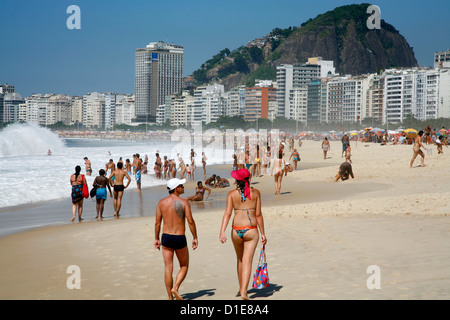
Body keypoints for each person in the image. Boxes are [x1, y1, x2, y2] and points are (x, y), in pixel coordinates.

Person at [219, 168, 267, 300]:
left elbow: (228, 213)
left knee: (240, 260)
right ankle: (244, 292)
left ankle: (242, 289)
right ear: (249, 178)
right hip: (251, 229)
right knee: (247, 261)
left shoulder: (231, 194)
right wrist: (263, 233)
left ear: (236, 180)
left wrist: (222, 231)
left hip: (236, 229)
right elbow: (258, 215)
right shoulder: (256, 193)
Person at [154, 178, 198, 300]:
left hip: (166, 237)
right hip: (179, 238)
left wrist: (156, 238)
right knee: (184, 265)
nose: (183, 187)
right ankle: (175, 287)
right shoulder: (184, 202)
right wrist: (195, 237)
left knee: (168, 268)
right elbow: (190, 221)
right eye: (181, 186)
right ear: (176, 188)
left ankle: (170, 297)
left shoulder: (161, 203)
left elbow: (157, 223)